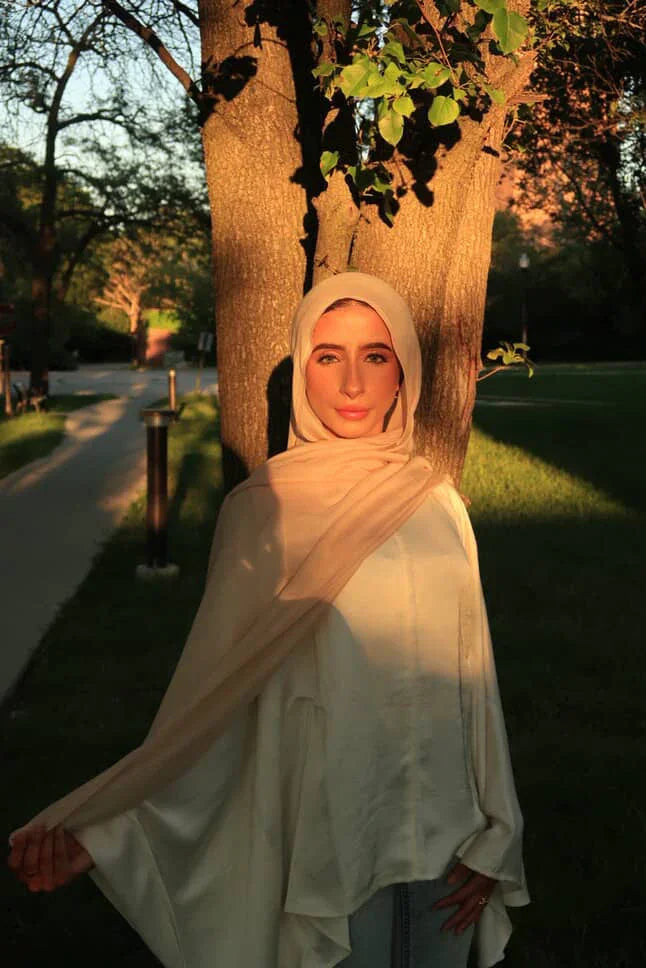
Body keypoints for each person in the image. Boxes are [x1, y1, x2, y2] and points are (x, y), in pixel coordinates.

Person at [8, 272, 529, 968]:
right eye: (328, 356)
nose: (352, 383)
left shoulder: (438, 504)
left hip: (450, 844)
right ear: (303, 372)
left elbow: (474, 681)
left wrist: (499, 831)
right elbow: (210, 710)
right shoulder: (263, 510)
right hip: (331, 849)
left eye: (375, 356)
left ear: (403, 372)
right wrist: (105, 829)